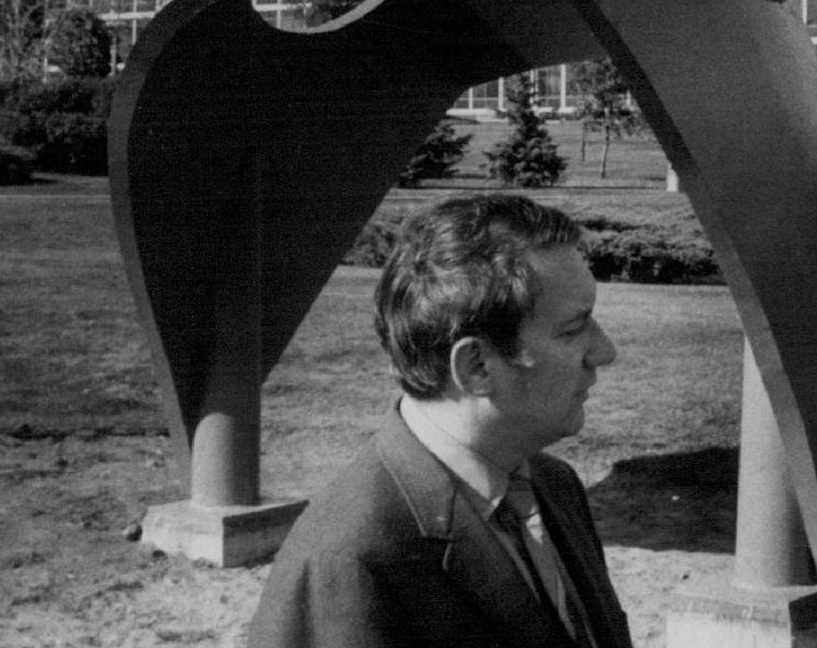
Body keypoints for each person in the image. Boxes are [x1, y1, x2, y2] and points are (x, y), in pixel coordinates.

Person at [249, 192, 632, 648]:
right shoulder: (351, 557)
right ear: (476, 367)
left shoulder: (555, 486)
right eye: (573, 330)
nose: (605, 352)